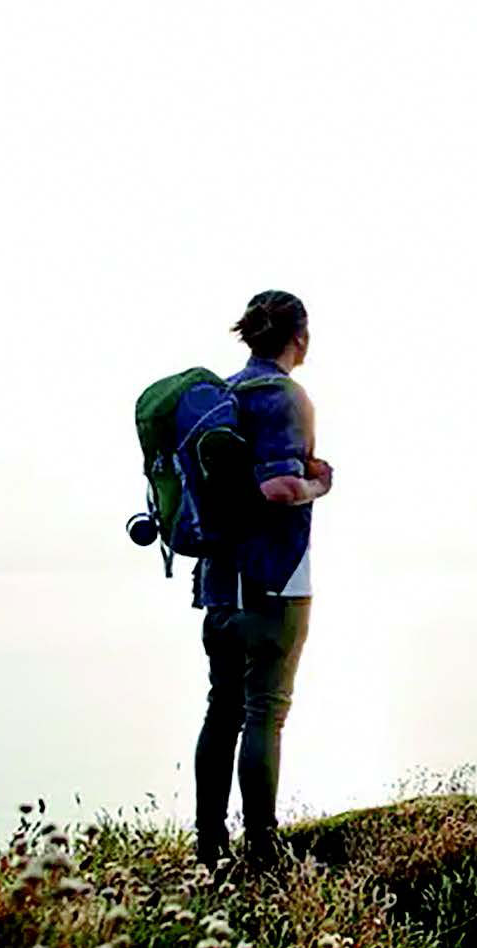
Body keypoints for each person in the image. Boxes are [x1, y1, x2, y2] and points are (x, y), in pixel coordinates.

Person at [192, 289, 331, 871]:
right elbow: (278, 489)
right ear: (299, 337)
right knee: (264, 714)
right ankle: (262, 849)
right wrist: (319, 484)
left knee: (221, 710)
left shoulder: (220, 396)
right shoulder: (285, 397)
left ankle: (208, 845)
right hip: (274, 582)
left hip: (219, 584)